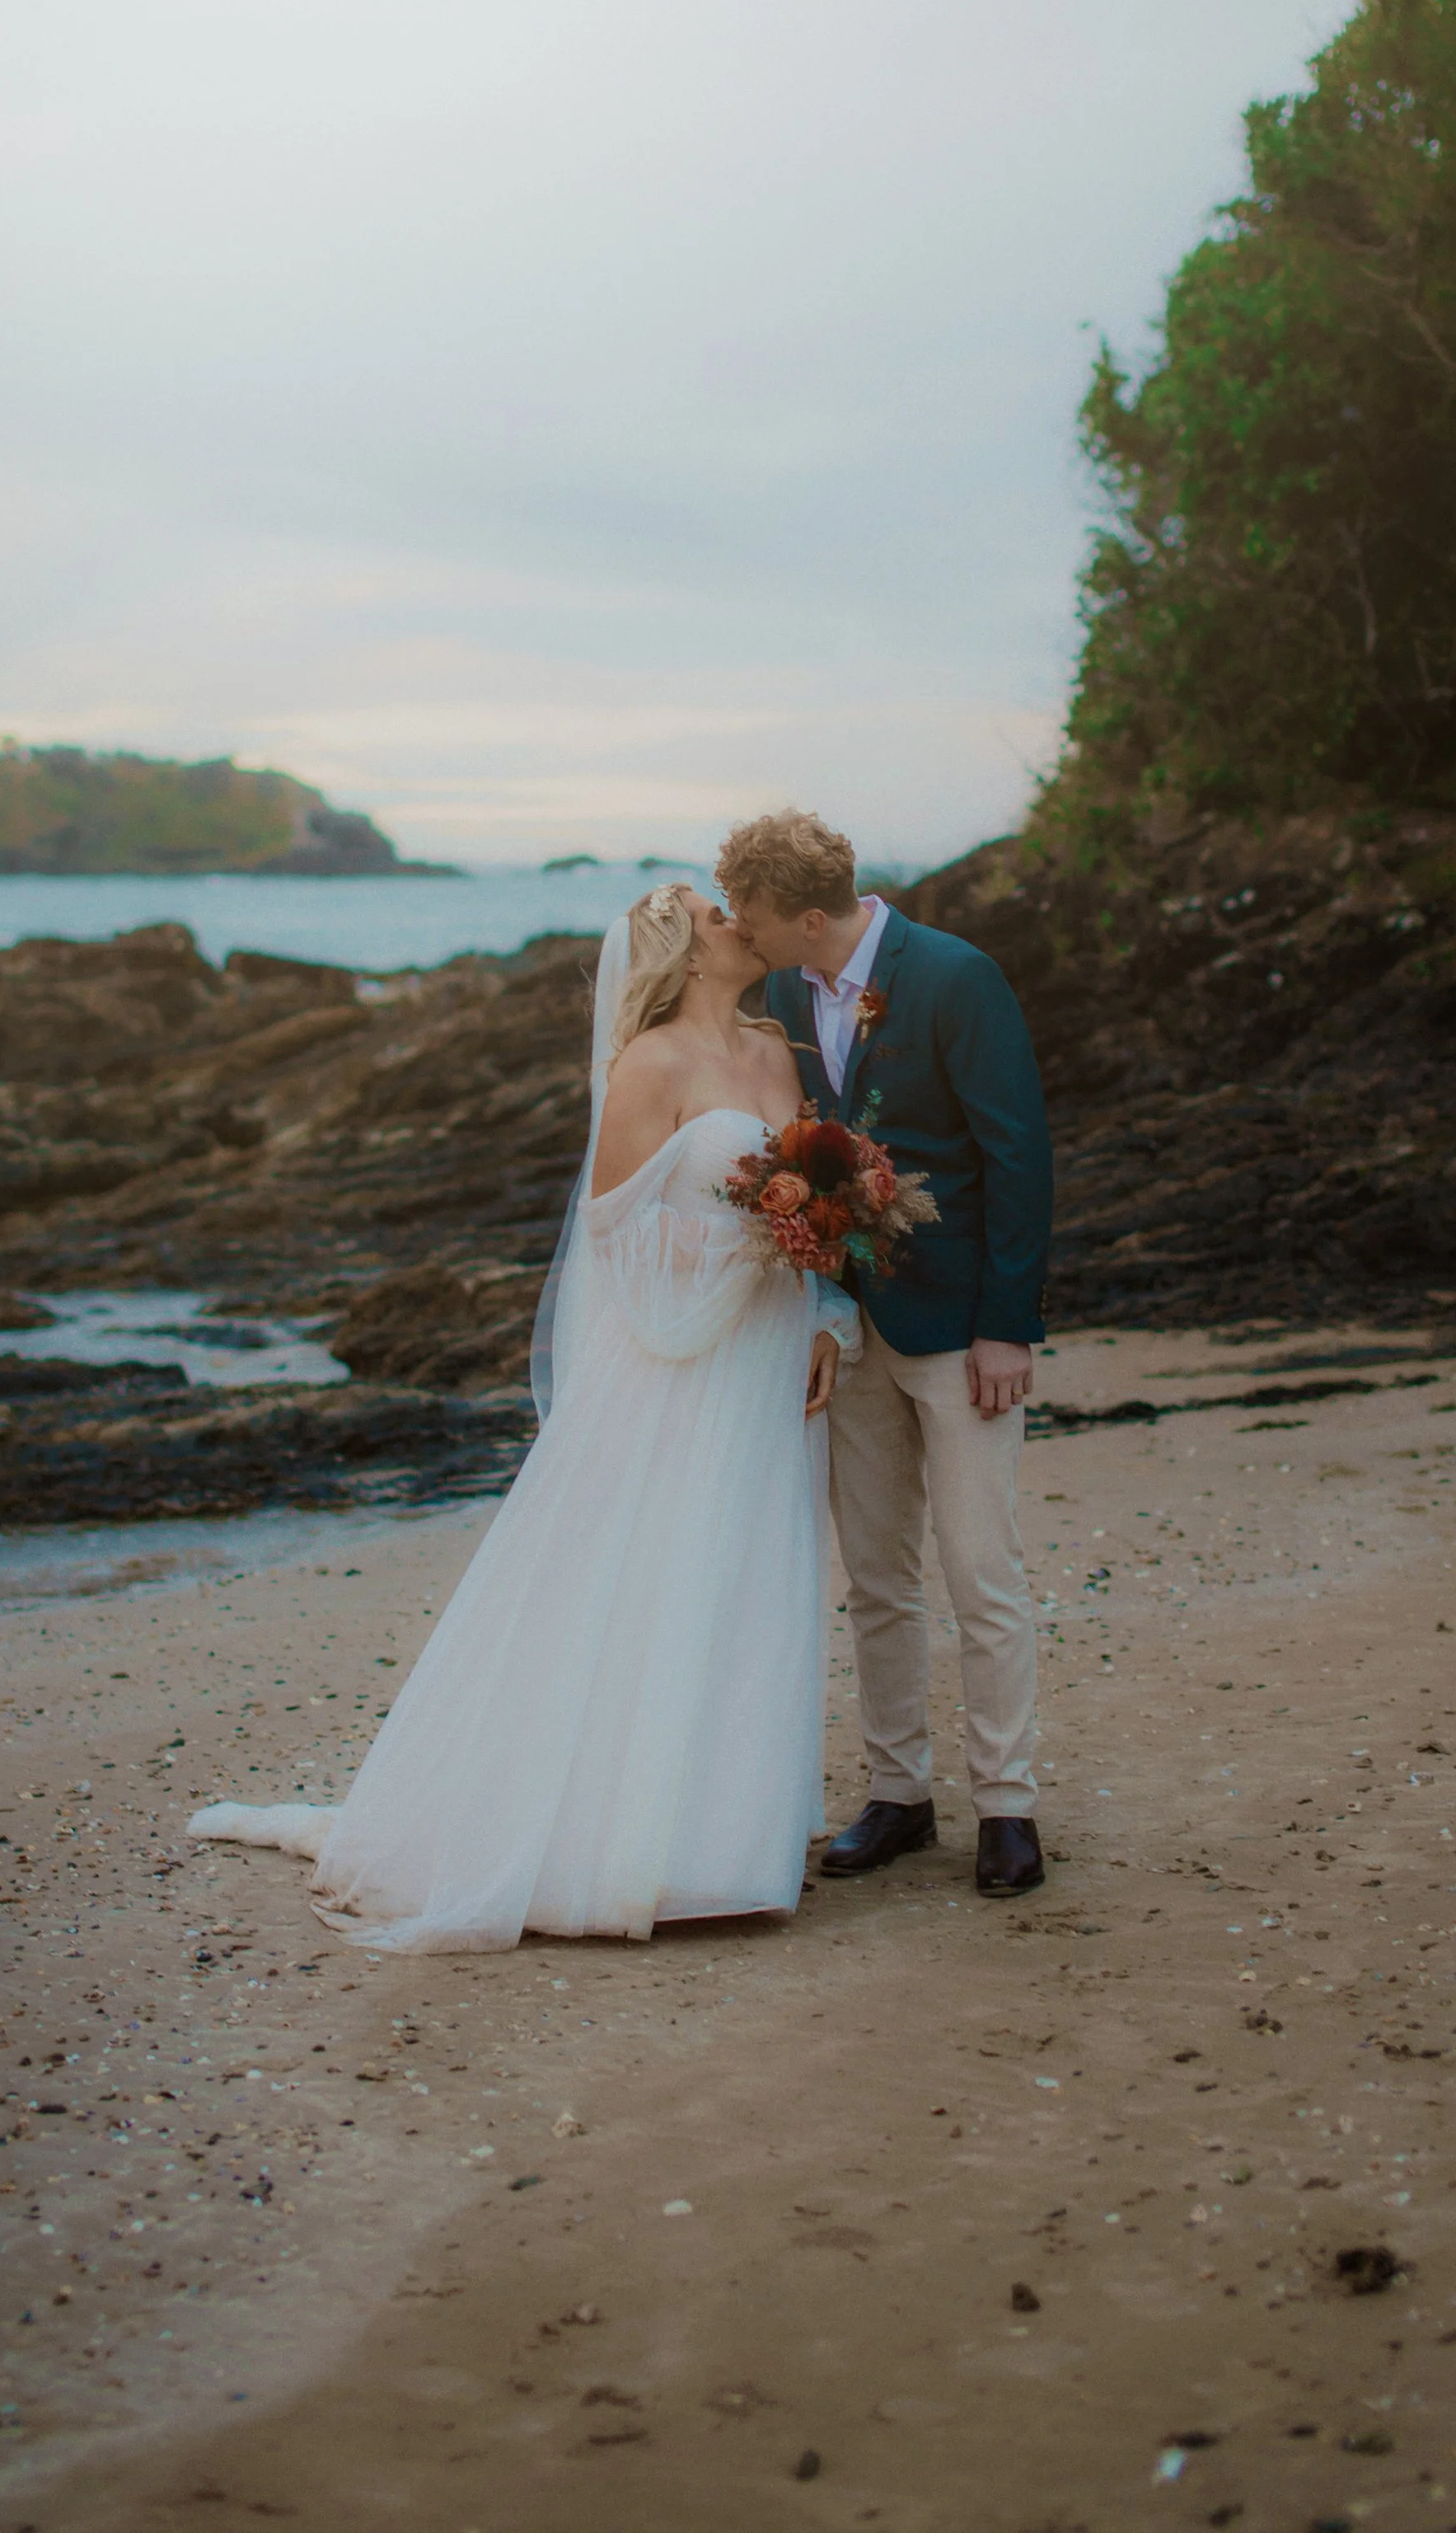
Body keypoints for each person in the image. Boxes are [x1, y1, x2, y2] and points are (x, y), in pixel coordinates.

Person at [186, 884, 853, 1951]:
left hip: (769, 1354)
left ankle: (732, 1842)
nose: (736, 913)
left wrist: (822, 1300)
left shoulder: (778, 1053)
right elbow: (613, 1235)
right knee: (654, 1574)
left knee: (749, 1568)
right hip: (679, 1364)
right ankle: (630, 1846)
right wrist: (750, 1245)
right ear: (681, 950)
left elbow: (819, 1198)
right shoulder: (649, 1065)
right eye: (711, 906)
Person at [718, 809, 1054, 1901]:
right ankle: (898, 1793)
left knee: (980, 1569)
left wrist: (1009, 1323)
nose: (742, 932)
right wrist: (818, 1294)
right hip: (848, 1327)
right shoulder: (777, 997)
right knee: (876, 1575)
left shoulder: (956, 978)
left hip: (962, 1333)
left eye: (753, 917)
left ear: (809, 914)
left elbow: (1018, 1154)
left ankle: (1008, 1804)